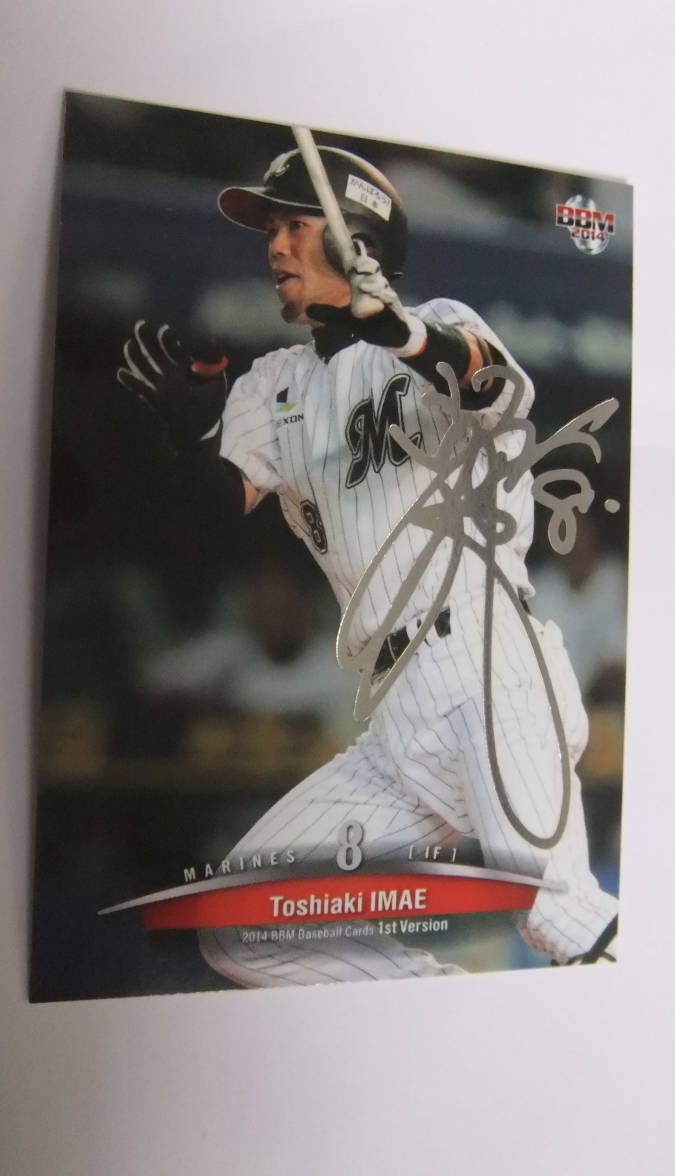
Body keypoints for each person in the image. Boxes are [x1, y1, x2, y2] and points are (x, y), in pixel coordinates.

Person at [118, 145, 619, 984]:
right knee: (240, 925)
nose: (275, 246)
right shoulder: (272, 383)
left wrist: (396, 329)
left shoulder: (439, 323)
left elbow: (485, 380)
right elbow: (217, 507)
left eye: (294, 225)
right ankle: (443, 1013)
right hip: (394, 713)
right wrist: (184, 437)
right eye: (270, 230)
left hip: (490, 666)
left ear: (357, 240)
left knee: (557, 915)